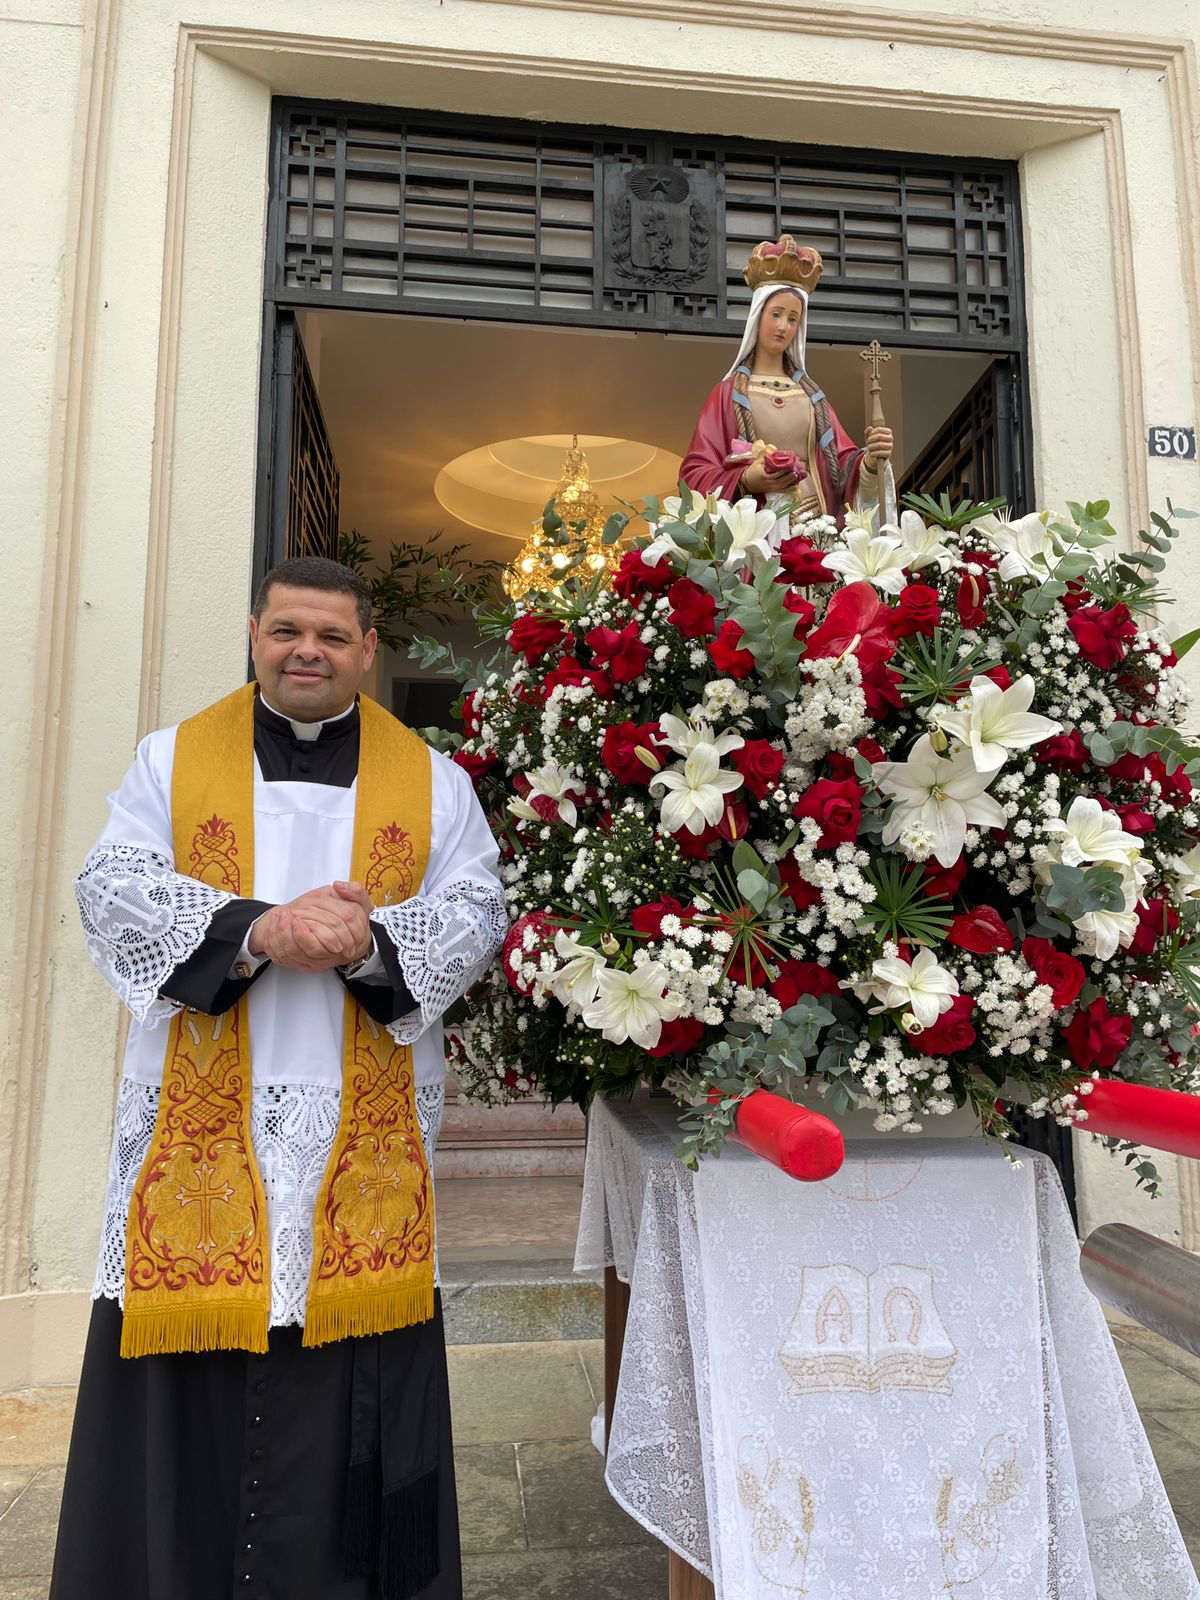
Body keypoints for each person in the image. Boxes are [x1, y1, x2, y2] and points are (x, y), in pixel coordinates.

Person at [50, 555, 506, 1600]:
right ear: (254, 635)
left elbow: (478, 910)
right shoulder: (170, 761)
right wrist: (260, 930)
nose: (309, 652)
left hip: (360, 1138)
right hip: (198, 1131)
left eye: (333, 636)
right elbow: (111, 888)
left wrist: (366, 943)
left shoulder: (434, 782)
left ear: (368, 651)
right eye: (289, 631)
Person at [679, 235, 897, 527]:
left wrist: (870, 460)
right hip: (758, 530)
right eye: (776, 314)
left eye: (793, 319)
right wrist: (745, 480)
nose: (783, 326)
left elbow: (842, 464)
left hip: (818, 527)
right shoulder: (727, 395)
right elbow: (694, 474)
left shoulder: (812, 398)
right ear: (757, 316)